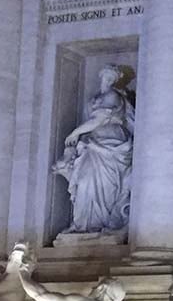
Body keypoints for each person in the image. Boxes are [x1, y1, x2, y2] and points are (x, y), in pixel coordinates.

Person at [53, 64, 134, 234]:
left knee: (106, 186)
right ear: (101, 76)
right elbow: (90, 122)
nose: (108, 79)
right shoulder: (95, 98)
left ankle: (101, 225)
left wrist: (75, 132)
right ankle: (83, 225)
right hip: (92, 144)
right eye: (106, 75)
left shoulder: (113, 96)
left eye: (112, 77)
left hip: (111, 144)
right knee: (84, 182)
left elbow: (100, 119)